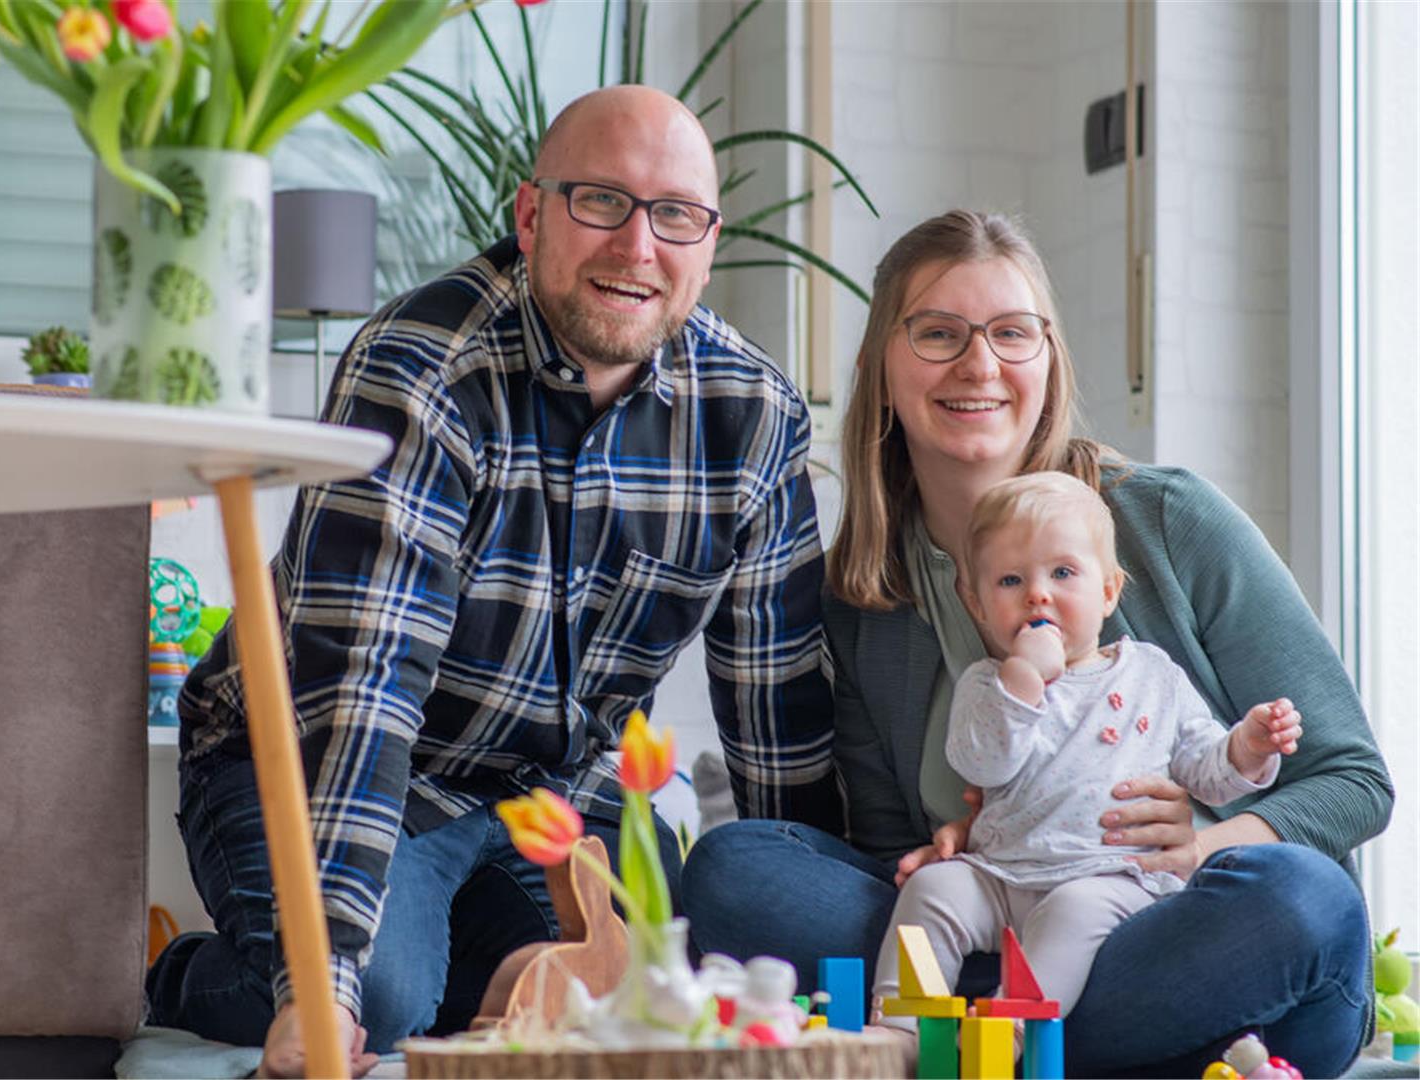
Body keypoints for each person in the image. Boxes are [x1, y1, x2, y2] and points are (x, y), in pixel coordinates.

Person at [145, 85, 841, 1078]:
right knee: (373, 1001)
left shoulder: (754, 414)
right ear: (530, 215)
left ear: (709, 240)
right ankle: (175, 969)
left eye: (674, 215)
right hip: (308, 755)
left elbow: (778, 713)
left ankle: (484, 962)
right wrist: (324, 982)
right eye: (601, 201)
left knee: (633, 997)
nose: (637, 246)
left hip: (550, 793)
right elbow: (366, 687)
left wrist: (811, 945)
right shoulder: (420, 367)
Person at [683, 209, 1393, 1076]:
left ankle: (983, 1048)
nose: (979, 364)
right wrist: (945, 842)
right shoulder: (865, 598)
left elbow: (1355, 780)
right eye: (939, 333)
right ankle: (1057, 1049)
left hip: (1180, 932)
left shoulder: (1167, 520)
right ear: (881, 368)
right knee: (736, 869)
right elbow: (882, 858)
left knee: (1304, 902)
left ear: (1048, 360)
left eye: (1012, 334)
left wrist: (1205, 837)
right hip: (997, 922)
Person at [872, 470, 1301, 1039]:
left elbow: (1206, 773)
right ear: (975, 603)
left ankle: (1006, 1034)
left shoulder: (1153, 674)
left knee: (1074, 914)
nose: (1038, 594)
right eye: (1009, 580)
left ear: (1108, 591)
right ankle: (898, 1030)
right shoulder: (988, 684)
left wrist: (1245, 749)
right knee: (933, 890)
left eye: (1063, 573)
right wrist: (1023, 676)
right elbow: (983, 765)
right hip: (999, 875)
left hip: (1108, 879)